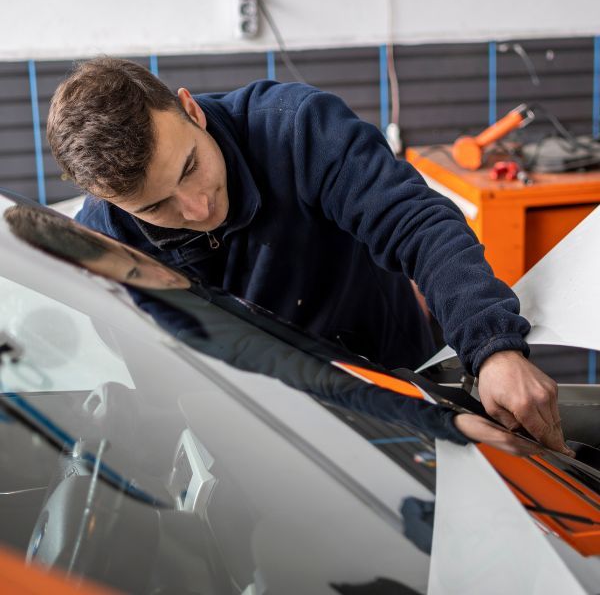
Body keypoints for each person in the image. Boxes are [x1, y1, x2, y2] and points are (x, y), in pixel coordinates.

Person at [46, 57, 572, 455]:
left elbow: (418, 224)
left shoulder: (294, 127)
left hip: (403, 371)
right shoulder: (107, 249)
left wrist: (492, 347)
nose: (198, 206)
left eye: (189, 167)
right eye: (158, 206)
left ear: (191, 110)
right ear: (111, 201)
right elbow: (191, 376)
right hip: (271, 440)